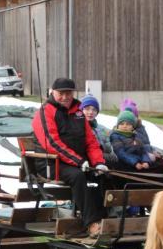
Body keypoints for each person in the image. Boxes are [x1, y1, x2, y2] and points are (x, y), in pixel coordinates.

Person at [32, 77, 108, 237]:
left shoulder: (79, 112)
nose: (66, 97)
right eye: (61, 93)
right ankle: (92, 223)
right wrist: (79, 161)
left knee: (105, 175)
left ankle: (107, 218)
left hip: (78, 162)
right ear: (53, 92)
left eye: (69, 93)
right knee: (79, 176)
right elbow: (52, 144)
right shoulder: (44, 113)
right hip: (51, 164)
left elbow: (91, 142)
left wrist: (99, 162)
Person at [110, 109, 163, 177]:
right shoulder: (115, 136)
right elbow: (120, 153)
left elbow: (143, 150)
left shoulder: (135, 135)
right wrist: (135, 163)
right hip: (126, 162)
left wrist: (146, 161)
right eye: (122, 124)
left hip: (139, 161)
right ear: (118, 125)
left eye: (128, 124)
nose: (125, 126)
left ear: (132, 127)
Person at [80, 94, 117, 164]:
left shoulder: (103, 130)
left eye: (94, 109)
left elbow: (113, 156)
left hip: (105, 162)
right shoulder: (78, 128)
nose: (90, 112)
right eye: (87, 109)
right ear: (81, 110)